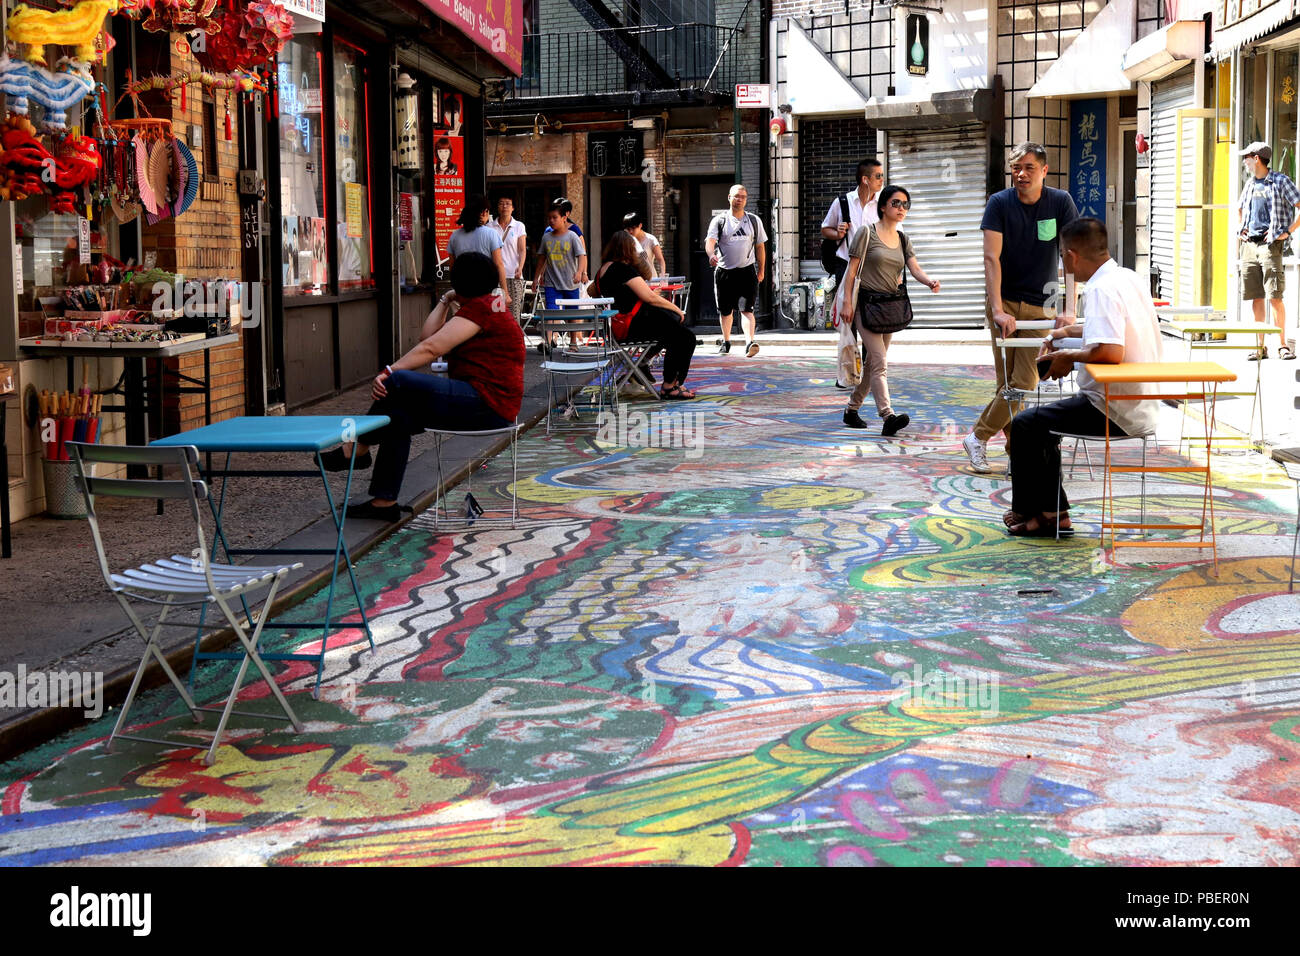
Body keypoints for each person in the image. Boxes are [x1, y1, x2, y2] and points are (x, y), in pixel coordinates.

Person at [320, 252, 524, 522]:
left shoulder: (481, 309)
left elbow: (430, 348)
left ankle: (356, 448)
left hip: (486, 404)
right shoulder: (487, 305)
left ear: (462, 281)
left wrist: (389, 371)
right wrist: (446, 299)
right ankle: (383, 503)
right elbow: (427, 336)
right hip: (485, 403)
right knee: (398, 417)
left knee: (399, 381)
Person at [1002, 217, 1162, 537]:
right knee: (1041, 426)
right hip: (1138, 399)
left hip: (1114, 407)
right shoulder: (1126, 277)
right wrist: (1065, 332)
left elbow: (1110, 351)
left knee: (1024, 424)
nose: (1063, 262)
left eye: (1062, 254)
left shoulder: (1100, 289)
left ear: (1072, 254)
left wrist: (1067, 357)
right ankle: (1053, 513)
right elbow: (1108, 329)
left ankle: (1038, 512)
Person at [963, 142, 1079, 473]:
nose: (1021, 174)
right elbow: (991, 258)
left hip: (1042, 305)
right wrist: (998, 310)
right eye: (1016, 167)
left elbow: (1069, 256)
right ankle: (1017, 453)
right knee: (1009, 385)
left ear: (1044, 170)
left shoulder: (1060, 202)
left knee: (1023, 383)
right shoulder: (999, 204)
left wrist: (1070, 308)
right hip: (1006, 303)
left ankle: (978, 437)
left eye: (1029, 167)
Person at [835, 184, 940, 436]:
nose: (901, 208)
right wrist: (847, 303)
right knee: (880, 362)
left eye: (905, 204)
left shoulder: (903, 238)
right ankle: (887, 415)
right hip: (865, 306)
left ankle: (851, 410)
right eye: (896, 203)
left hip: (889, 306)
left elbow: (914, 268)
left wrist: (929, 282)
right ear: (883, 206)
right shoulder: (866, 233)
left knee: (873, 362)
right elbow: (851, 272)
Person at [592, 230, 697, 399]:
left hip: (617, 328)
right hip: (633, 326)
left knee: (673, 330)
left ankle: (643, 363)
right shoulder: (622, 269)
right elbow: (650, 297)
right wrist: (676, 308)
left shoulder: (602, 271)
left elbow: (592, 292)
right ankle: (669, 386)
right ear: (628, 249)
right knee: (685, 337)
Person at [1237, 141, 1300, 360]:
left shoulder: (1281, 181)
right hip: (1250, 246)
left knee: (1274, 296)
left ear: (1257, 159)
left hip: (1270, 246)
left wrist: (1287, 231)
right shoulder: (1251, 183)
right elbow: (1240, 207)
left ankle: (1282, 345)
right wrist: (1241, 229)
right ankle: (1260, 346)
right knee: (1256, 297)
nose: (1244, 161)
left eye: (1247, 157)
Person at [706, 184, 766, 357]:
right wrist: (711, 255)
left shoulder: (754, 220)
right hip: (724, 271)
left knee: (747, 309)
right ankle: (726, 341)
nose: (740, 199)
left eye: (743, 197)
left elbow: (760, 247)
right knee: (726, 311)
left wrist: (761, 270)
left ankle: (750, 343)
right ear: (729, 198)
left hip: (747, 270)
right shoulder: (720, 220)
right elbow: (710, 243)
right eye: (736, 196)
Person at [822, 158, 884, 287]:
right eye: (878, 176)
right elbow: (825, 229)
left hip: (875, 268)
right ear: (865, 180)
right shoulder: (842, 202)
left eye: (882, 176)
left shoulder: (883, 205)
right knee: (846, 306)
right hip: (845, 266)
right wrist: (838, 234)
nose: (882, 180)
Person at [534, 203, 588, 348]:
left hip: (570, 282)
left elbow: (582, 255)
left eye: (555, 217)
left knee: (572, 313)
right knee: (551, 311)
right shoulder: (546, 237)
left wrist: (580, 272)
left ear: (564, 217)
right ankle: (548, 341)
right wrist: (536, 278)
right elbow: (541, 258)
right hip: (552, 282)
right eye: (549, 218)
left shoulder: (572, 236)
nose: (551, 221)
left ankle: (573, 342)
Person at [446, 194, 509, 310]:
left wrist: (457, 291)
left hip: (464, 292)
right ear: (484, 212)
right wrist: (505, 292)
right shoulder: (491, 234)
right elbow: (498, 264)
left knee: (465, 325)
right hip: (487, 292)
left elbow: (452, 267)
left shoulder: (454, 236)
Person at [494, 196, 527, 325]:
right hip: (495, 276)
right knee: (497, 312)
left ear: (513, 208)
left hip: (514, 275)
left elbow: (522, 249)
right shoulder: (491, 226)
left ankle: (514, 342)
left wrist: (520, 267)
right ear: (497, 207)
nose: (504, 206)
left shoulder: (518, 226)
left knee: (514, 313)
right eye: (501, 203)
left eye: (508, 204)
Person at [622, 211, 666, 278]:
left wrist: (662, 277)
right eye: (628, 229)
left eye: (633, 228)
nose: (630, 231)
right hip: (634, 279)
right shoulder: (626, 240)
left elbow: (660, 260)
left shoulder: (650, 239)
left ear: (640, 225)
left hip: (650, 278)